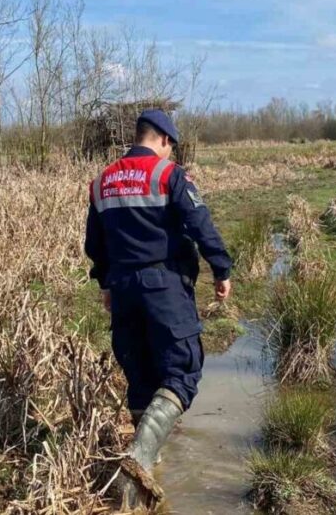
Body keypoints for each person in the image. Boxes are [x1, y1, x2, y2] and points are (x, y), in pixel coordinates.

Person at [84, 108, 233, 507]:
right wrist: (222, 268)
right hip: (164, 286)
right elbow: (200, 223)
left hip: (123, 290)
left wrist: (106, 283)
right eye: (172, 146)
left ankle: (145, 473)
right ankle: (140, 457)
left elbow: (94, 246)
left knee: (141, 375)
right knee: (183, 370)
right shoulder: (169, 175)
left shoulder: (101, 183)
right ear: (164, 140)